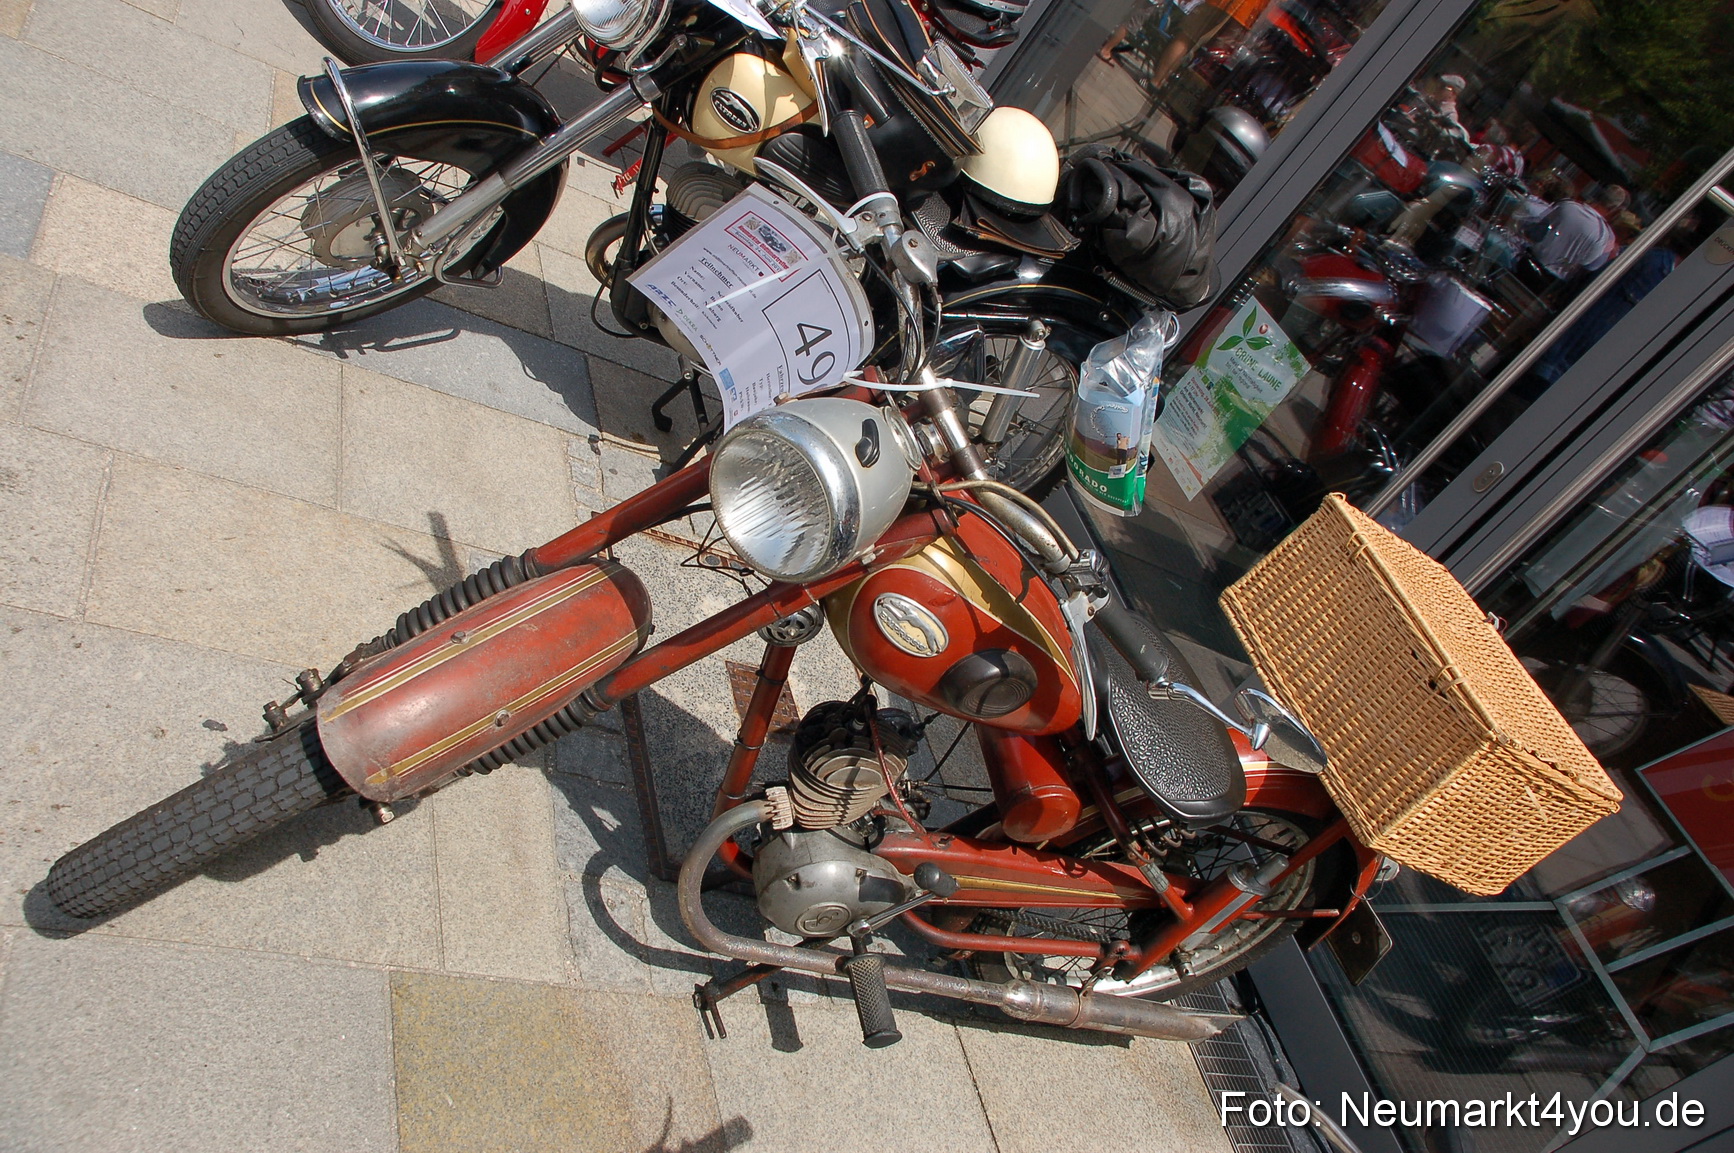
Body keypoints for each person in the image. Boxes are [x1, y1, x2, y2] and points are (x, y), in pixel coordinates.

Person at [1528, 183, 1625, 279]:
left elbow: (1536, 231)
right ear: (1613, 209)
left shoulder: (1567, 206)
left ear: (1598, 195)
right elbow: (1591, 266)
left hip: (1528, 261)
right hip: (1549, 281)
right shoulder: (1603, 236)